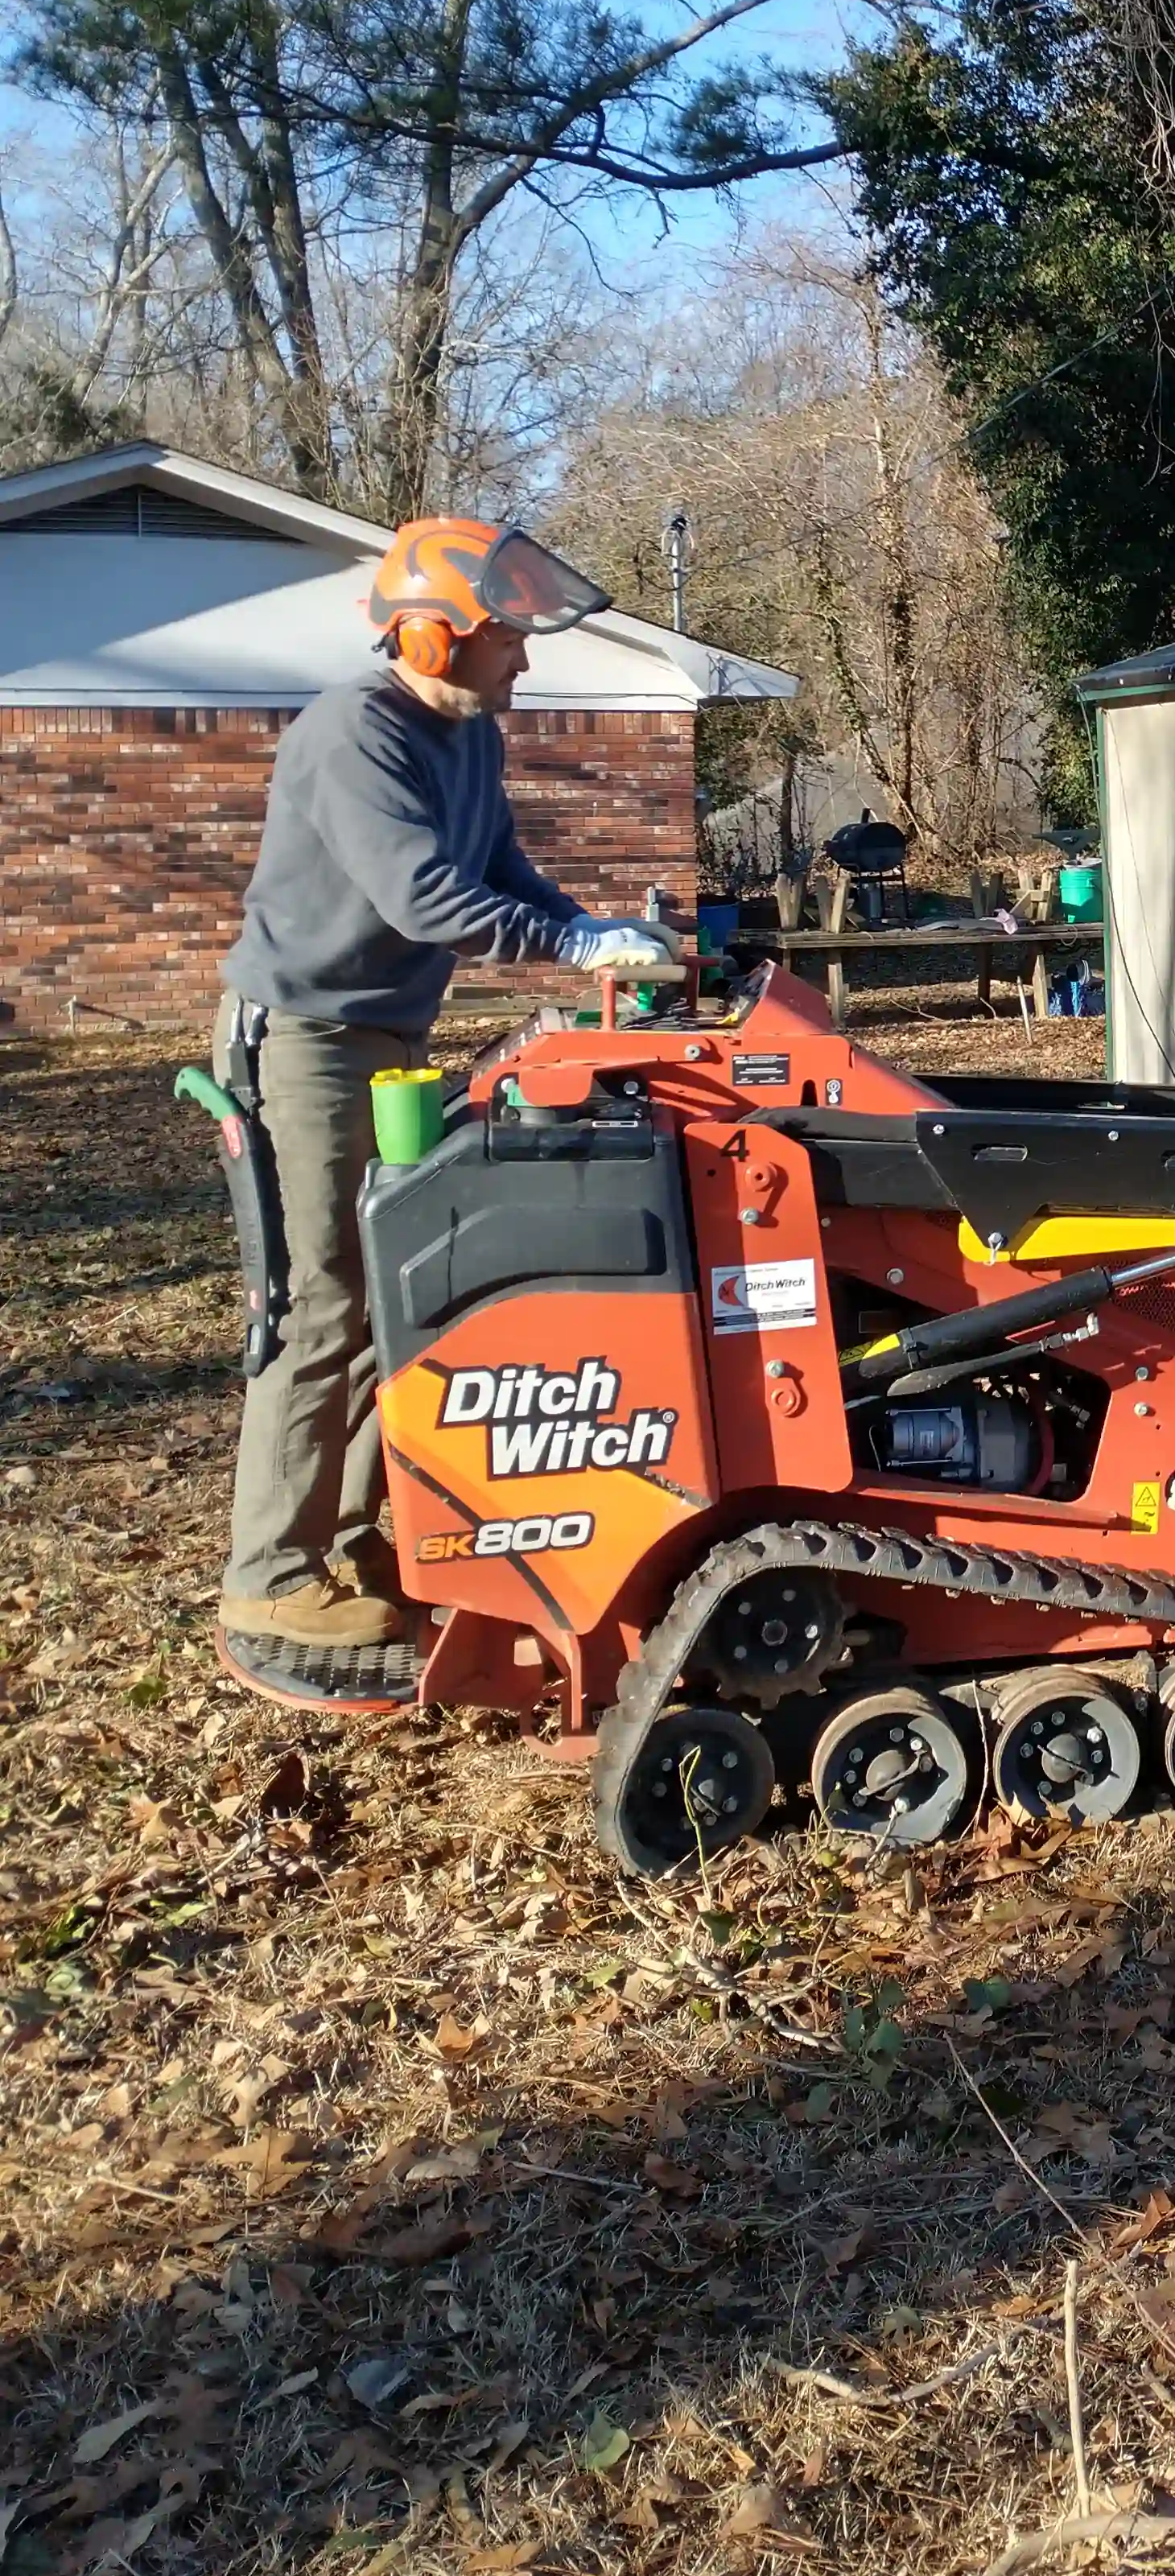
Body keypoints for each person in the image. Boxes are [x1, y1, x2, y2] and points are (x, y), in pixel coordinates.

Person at [212, 515, 677, 1713]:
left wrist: (593, 937)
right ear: (432, 634)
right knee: (318, 1304)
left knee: (390, 1295)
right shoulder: (354, 732)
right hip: (305, 1038)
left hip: (388, 1037)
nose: (521, 661)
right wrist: (561, 944)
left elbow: (502, 872)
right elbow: (425, 897)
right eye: (503, 639)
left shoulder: (468, 737)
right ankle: (268, 1578)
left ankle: (370, 1548)